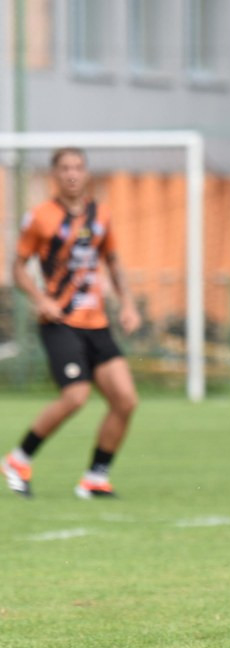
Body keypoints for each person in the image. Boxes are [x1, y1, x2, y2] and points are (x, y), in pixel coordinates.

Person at [3, 148, 140, 500]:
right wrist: (41, 299)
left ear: (87, 173)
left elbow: (113, 261)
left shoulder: (101, 215)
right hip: (60, 322)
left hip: (97, 322)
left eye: (78, 167)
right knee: (76, 395)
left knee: (125, 400)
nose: (72, 174)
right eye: (65, 168)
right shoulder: (41, 217)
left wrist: (127, 304)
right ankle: (19, 459)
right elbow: (17, 268)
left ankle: (96, 477)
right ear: (55, 175)